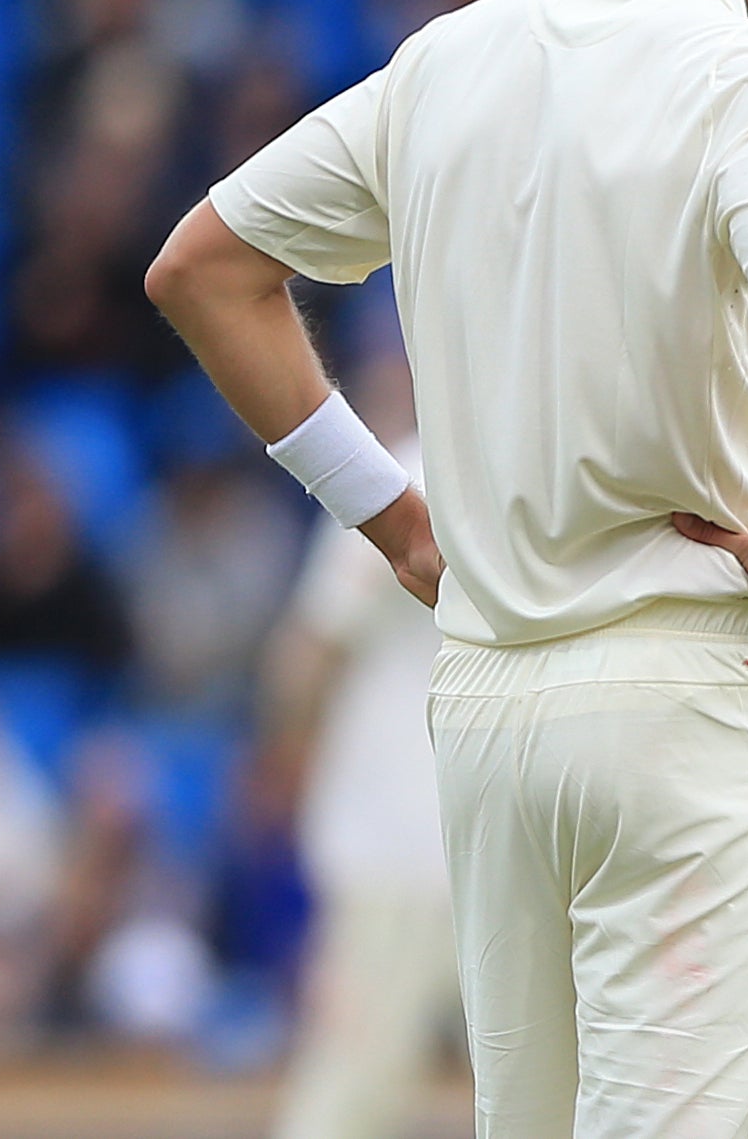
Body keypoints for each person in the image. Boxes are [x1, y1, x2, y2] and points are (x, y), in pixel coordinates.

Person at [143, 0, 748, 1139]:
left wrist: (389, 510)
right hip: (693, 689)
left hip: (487, 712)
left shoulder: (450, 59)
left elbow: (200, 269)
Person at [258, 356, 457, 1139]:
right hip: (469, 832)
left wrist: (284, 762)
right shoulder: (479, 470)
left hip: (400, 841)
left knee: (352, 1090)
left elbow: (307, 651)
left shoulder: (397, 473)